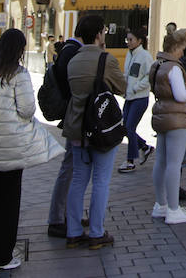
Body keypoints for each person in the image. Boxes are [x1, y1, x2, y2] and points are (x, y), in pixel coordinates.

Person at [0, 28, 63, 271]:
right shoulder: (18, 73)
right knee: (5, 203)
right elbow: (27, 110)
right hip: (8, 149)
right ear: (18, 50)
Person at [60, 14, 126, 249]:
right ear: (99, 34)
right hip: (100, 128)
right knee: (101, 180)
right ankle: (97, 232)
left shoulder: (72, 60)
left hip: (77, 127)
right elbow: (122, 86)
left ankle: (74, 231)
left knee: (79, 179)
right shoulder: (105, 59)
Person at [150, 28, 186, 225]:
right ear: (176, 47)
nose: (183, 51)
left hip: (161, 114)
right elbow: (180, 96)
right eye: (182, 46)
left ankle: (161, 204)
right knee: (174, 163)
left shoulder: (157, 65)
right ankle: (173, 209)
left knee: (161, 161)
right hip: (177, 119)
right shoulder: (174, 67)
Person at [44, 32, 82, 238]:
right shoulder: (72, 52)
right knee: (69, 168)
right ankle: (58, 218)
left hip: (70, 115)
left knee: (72, 167)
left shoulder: (67, 50)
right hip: (73, 116)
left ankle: (67, 214)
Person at [119, 28, 154, 173]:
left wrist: (136, 88)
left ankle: (130, 161)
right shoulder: (130, 54)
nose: (128, 42)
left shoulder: (145, 56)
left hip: (139, 98)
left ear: (139, 41)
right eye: (127, 39)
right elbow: (128, 74)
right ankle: (145, 148)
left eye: (131, 39)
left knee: (129, 127)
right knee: (124, 127)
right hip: (129, 97)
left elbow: (149, 76)